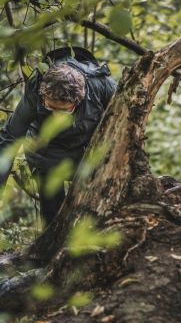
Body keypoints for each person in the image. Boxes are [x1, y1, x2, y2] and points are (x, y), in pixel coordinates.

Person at [0, 47, 117, 225]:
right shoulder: (35, 90)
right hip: (45, 153)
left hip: (86, 155)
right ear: (43, 94)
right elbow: (10, 139)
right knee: (51, 215)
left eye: (64, 110)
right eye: (50, 107)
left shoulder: (102, 85)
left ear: (79, 99)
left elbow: (126, 120)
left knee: (92, 211)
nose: (56, 115)